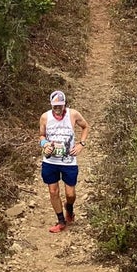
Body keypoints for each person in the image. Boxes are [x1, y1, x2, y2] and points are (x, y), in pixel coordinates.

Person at [38, 89, 89, 233]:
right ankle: (61, 221)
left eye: (61, 105)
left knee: (70, 194)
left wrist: (81, 144)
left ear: (65, 104)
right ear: (51, 105)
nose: (58, 108)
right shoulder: (45, 117)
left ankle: (69, 209)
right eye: (55, 106)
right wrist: (45, 145)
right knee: (53, 191)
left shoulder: (73, 114)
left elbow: (86, 126)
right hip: (50, 161)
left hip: (68, 161)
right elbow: (41, 136)